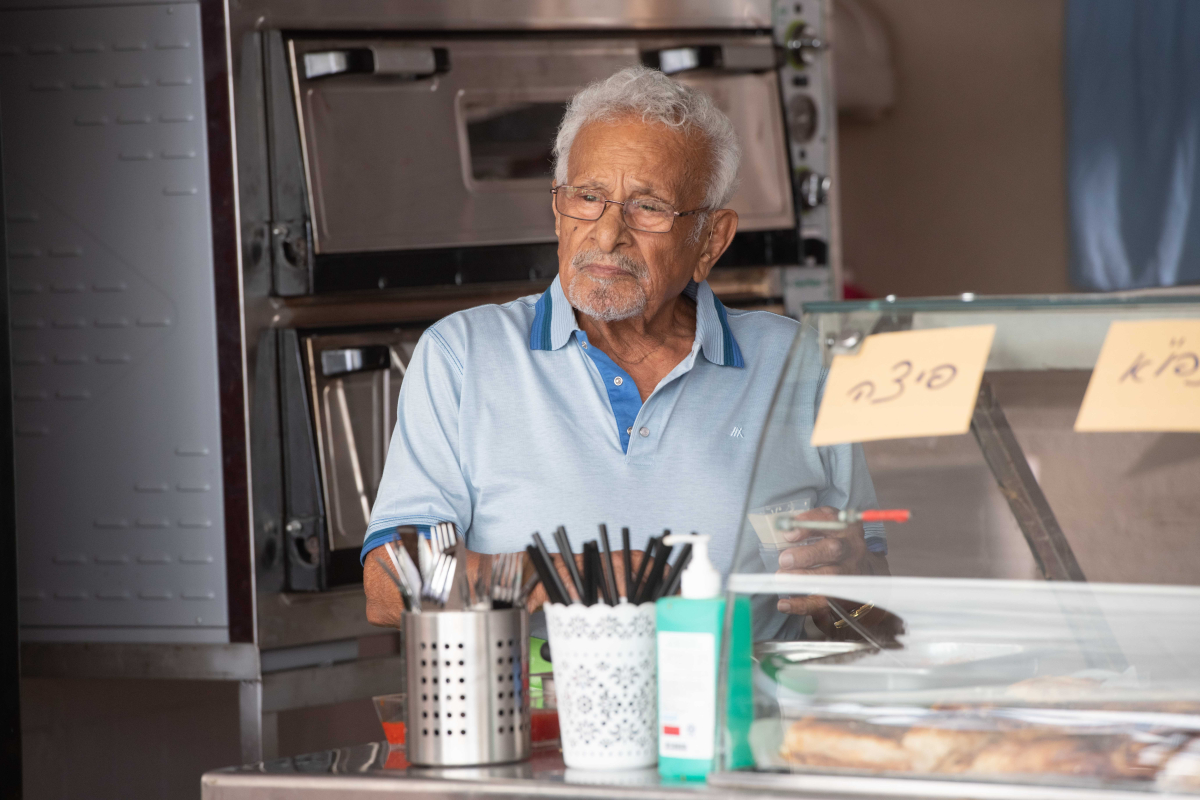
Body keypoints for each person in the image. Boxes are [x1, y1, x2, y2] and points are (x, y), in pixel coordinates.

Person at [361, 66, 888, 632]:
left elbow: (871, 605)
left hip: (738, 713)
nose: (608, 233)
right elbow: (391, 584)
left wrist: (853, 589)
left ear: (711, 239)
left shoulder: (797, 364)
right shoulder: (462, 355)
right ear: (557, 210)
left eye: (649, 206)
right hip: (540, 718)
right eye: (588, 197)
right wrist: (574, 578)